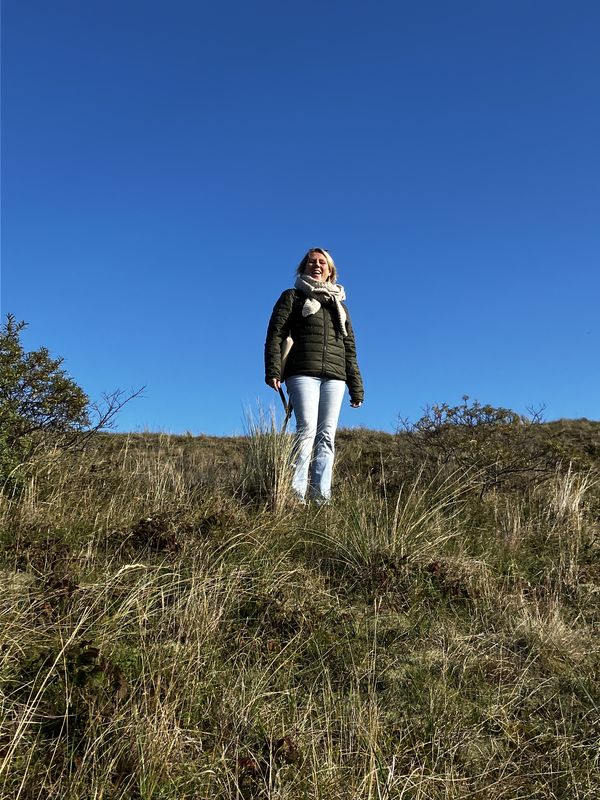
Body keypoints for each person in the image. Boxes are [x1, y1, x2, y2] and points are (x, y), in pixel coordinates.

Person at [264, 248, 364, 503]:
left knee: (326, 435)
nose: (316, 266)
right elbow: (275, 334)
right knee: (306, 429)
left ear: (330, 270)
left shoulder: (339, 307)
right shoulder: (293, 297)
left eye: (322, 262)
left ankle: (320, 499)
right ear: (303, 268)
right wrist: (273, 370)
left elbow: (349, 347)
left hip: (336, 376)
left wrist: (356, 386)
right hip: (302, 373)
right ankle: (296, 496)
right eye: (311, 262)